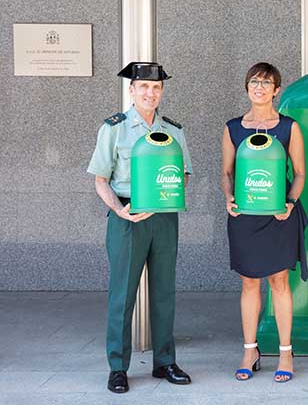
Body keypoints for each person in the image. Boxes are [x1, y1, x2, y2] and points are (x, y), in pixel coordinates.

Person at [87, 62, 193, 393]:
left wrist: (167, 193)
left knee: (164, 292)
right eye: (143, 87)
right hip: (127, 217)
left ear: (162, 91)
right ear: (131, 90)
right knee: (123, 293)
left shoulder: (174, 130)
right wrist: (120, 210)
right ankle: (118, 367)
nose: (150, 92)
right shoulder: (114, 129)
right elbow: (100, 180)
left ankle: (165, 361)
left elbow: (185, 173)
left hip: (163, 218)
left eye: (157, 87)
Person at [221, 62, 308, 383]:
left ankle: (286, 352)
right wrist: (228, 198)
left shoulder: (289, 127)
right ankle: (250, 350)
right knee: (248, 283)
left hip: (278, 215)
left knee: (279, 282)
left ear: (276, 90)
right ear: (247, 87)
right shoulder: (232, 127)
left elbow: (299, 173)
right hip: (244, 217)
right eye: (254, 81)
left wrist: (290, 202)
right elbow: (226, 174)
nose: (259, 87)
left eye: (266, 82)